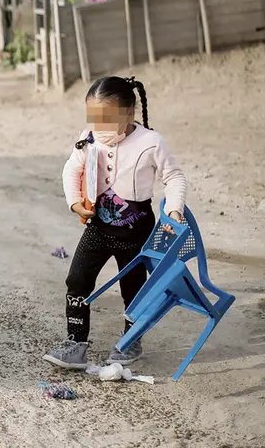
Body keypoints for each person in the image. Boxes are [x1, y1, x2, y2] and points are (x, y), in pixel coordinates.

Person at [44, 76, 187, 370]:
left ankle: (130, 340)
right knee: (77, 280)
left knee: (132, 290)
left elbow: (174, 178)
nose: (100, 128)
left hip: (137, 232)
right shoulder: (89, 139)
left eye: (107, 120)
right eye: (95, 120)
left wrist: (173, 211)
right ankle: (76, 343)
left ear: (129, 113)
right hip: (98, 228)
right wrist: (75, 203)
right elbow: (71, 170)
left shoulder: (151, 143)